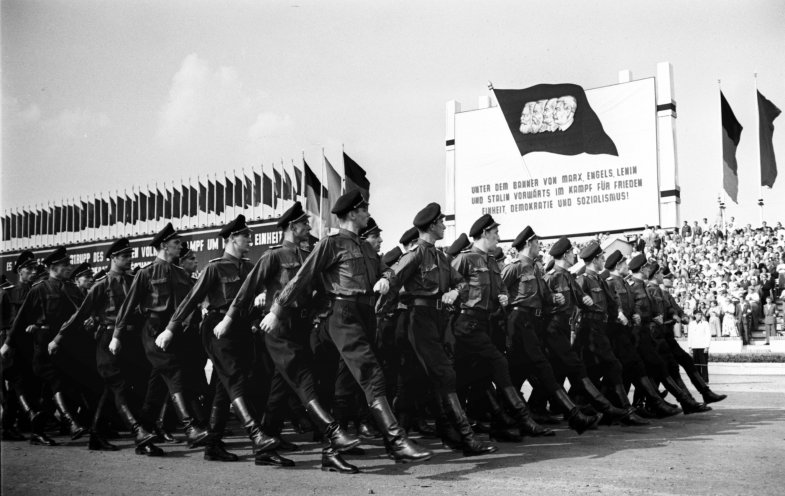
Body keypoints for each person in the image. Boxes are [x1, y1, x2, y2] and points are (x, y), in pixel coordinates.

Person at [260, 190, 433, 464]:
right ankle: (397, 441)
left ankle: (331, 452)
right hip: (342, 313)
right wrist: (277, 310)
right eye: (364, 210)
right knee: (371, 373)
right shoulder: (331, 243)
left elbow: (384, 269)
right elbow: (303, 277)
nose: (367, 214)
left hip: (365, 314)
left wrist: (387, 278)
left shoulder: (365, 247)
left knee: (342, 384)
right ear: (353, 213)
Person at [216, 202, 362, 473]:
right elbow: (246, 292)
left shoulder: (310, 254)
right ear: (292, 227)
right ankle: (333, 432)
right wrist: (227, 319)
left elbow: (320, 289)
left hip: (302, 326)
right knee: (303, 378)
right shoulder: (273, 257)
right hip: (278, 328)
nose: (308, 227)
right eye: (304, 224)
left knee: (280, 388)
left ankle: (265, 448)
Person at [165, 215, 284, 465]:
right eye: (245, 236)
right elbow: (191, 301)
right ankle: (256, 435)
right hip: (218, 328)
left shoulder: (250, 268)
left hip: (242, 329)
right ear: (232, 239)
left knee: (223, 387)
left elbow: (264, 289)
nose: (249, 240)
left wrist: (263, 297)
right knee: (234, 378)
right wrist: (170, 329)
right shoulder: (215, 267)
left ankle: (213, 445)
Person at [383, 202, 498, 456]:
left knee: (413, 381)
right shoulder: (415, 254)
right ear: (432, 225)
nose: (444, 225)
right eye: (441, 222)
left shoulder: (441, 257)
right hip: (418, 319)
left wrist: (455, 292)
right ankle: (467, 439)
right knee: (444, 375)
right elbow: (393, 275)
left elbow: (463, 284)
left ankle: (401, 441)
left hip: (437, 320)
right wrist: (384, 283)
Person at [51, 238, 162, 455]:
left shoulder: (134, 280)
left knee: (119, 390)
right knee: (118, 385)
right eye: (125, 256)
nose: (130, 260)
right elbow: (81, 313)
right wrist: (58, 338)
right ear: (113, 258)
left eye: (130, 255)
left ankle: (96, 435)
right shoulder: (102, 284)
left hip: (132, 341)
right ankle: (139, 432)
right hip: (107, 340)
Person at [451, 214, 554, 438]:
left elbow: (502, 289)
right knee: (495, 364)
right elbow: (448, 286)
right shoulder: (465, 259)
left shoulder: (490, 262)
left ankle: (489, 425)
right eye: (495, 233)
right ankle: (522, 417)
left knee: (475, 375)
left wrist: (504, 297)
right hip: (466, 322)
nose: (498, 237)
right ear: (485, 233)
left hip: (486, 323)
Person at [112, 223, 210, 449]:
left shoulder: (180, 273)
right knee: (174, 371)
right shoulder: (146, 273)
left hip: (174, 333)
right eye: (176, 243)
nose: (180, 246)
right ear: (164, 246)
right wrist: (117, 335)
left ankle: (142, 432)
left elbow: (189, 303)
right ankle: (190, 427)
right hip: (152, 331)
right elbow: (128, 306)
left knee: (158, 386)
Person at [501, 226, 602, 433]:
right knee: (541, 369)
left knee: (517, 373)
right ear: (529, 243)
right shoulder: (515, 267)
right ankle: (575, 415)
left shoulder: (536, 269)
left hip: (533, 324)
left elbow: (543, 297)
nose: (540, 247)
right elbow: (499, 293)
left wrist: (552, 298)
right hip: (518, 322)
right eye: (538, 243)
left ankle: (507, 418)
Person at [3, 247, 92, 444]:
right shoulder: (40, 289)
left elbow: (81, 313)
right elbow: (20, 319)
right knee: (53, 381)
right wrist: (8, 344)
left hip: (65, 344)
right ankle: (69, 421)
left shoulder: (71, 288)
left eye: (69, 264)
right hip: (43, 344)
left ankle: (39, 431)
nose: (70, 268)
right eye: (65, 265)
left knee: (48, 391)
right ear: (53, 267)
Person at [687, 309, 711, 382]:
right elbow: (690, 335)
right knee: (696, 364)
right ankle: (698, 380)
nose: (699, 316)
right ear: (694, 315)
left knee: (704, 364)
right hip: (694, 346)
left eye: (700, 314)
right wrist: (690, 347)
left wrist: (707, 346)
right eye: (697, 314)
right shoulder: (691, 324)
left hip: (703, 346)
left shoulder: (705, 323)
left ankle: (705, 380)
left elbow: (708, 335)